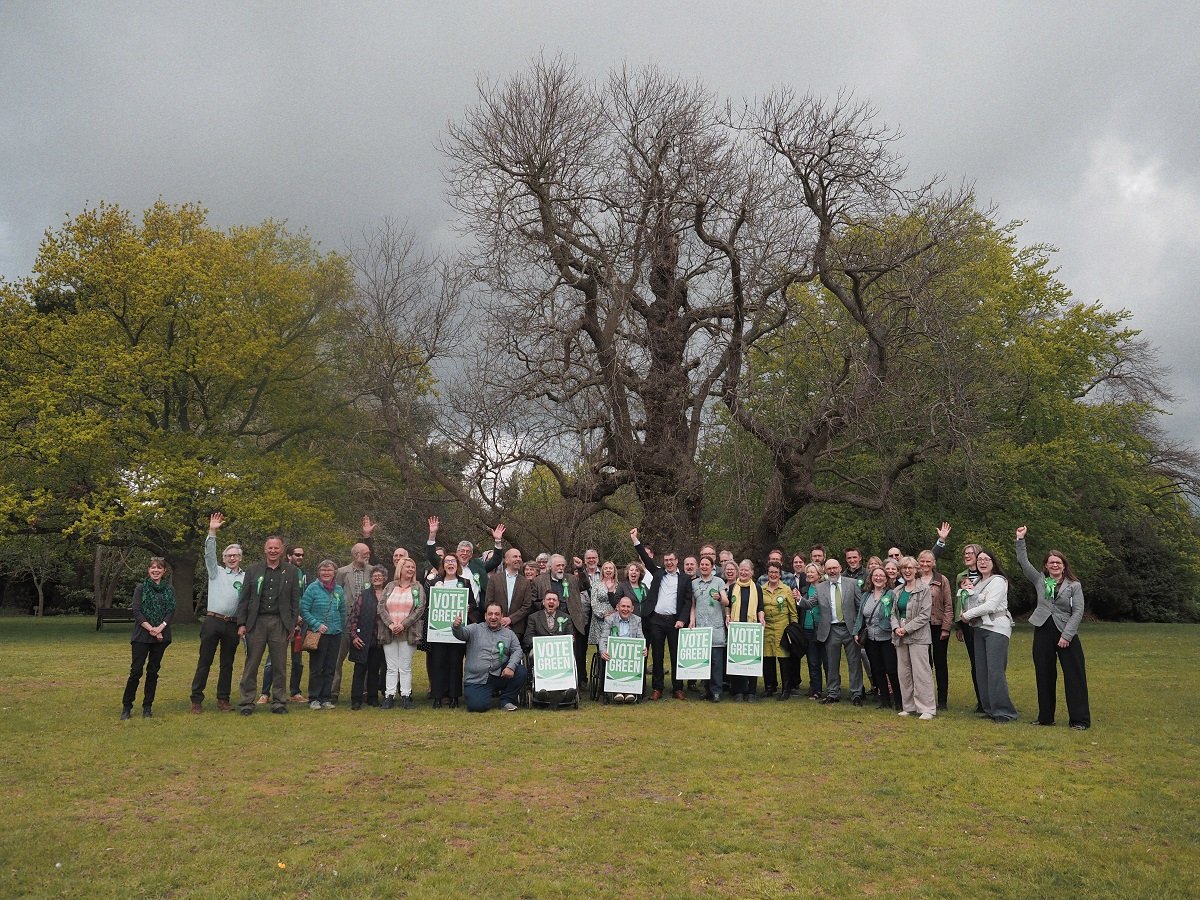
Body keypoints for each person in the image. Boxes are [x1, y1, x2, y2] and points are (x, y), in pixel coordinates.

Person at [1016, 526, 1090, 729]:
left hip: (1066, 631)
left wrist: (1067, 635)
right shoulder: (1041, 580)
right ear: (1046, 567)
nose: (1055, 565)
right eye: (1051, 563)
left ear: (1064, 566)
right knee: (1044, 674)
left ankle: (1079, 720)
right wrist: (1020, 539)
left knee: (1074, 676)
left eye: (1058, 562)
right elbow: (1023, 562)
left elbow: (1078, 612)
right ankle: (1045, 717)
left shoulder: (1074, 586)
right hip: (1043, 629)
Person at [236, 535, 303, 715]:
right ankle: (247, 702)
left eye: (276, 548)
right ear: (265, 550)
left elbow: (295, 601)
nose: (273, 551)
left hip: (280, 623)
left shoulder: (290, 571)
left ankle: (279, 701)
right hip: (256, 623)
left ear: (282, 550)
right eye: (270, 548)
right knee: (252, 664)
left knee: (279, 665)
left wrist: (291, 625)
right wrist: (241, 623)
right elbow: (244, 599)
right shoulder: (253, 570)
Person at [631, 528, 694, 701]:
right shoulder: (657, 573)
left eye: (671, 560)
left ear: (677, 561)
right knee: (657, 655)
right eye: (666, 560)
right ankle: (657, 688)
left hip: (675, 622)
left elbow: (688, 601)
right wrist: (635, 540)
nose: (668, 563)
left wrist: (682, 619)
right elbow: (645, 557)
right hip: (656, 620)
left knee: (676, 656)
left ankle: (677, 688)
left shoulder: (685, 579)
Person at [190, 512, 242, 713]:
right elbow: (209, 554)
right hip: (213, 621)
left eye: (235, 555)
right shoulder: (216, 571)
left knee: (227, 664)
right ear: (223, 558)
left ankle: (223, 699)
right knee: (205, 661)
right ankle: (196, 700)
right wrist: (212, 531)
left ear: (240, 558)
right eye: (228, 555)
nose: (231, 558)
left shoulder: (246, 577)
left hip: (233, 624)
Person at [959, 549, 1017, 723]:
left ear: (993, 562)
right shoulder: (976, 582)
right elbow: (968, 603)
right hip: (979, 628)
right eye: (980, 560)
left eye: (987, 559)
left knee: (994, 670)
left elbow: (991, 605)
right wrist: (966, 603)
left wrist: (967, 615)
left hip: (997, 629)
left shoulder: (998, 581)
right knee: (982, 671)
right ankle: (990, 708)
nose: (983, 562)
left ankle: (1004, 712)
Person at [799, 557, 864, 705]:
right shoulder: (820, 587)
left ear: (840, 568)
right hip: (831, 629)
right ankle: (833, 693)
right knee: (832, 664)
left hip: (850, 629)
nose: (832, 571)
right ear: (825, 571)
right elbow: (810, 604)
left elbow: (860, 607)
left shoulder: (852, 584)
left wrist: (859, 628)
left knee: (854, 663)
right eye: (829, 569)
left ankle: (856, 694)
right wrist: (799, 599)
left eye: (834, 568)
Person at [331, 516, 379, 704]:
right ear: (355, 554)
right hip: (345, 622)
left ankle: (366, 692)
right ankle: (333, 692)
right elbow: (334, 594)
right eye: (364, 552)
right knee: (337, 660)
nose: (367, 555)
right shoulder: (342, 572)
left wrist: (368, 537)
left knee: (365, 658)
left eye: (368, 552)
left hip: (366, 623)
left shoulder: (373, 571)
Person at [121, 557, 176, 719]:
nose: (156, 570)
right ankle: (127, 706)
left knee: (153, 672)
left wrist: (160, 628)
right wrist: (151, 629)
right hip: (141, 636)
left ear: (164, 571)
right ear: (148, 570)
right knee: (136, 672)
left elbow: (171, 610)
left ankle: (147, 707)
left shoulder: (169, 589)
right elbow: (137, 611)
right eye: (153, 567)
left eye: (159, 568)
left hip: (161, 636)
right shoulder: (141, 588)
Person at [452, 604, 526, 712]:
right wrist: (456, 627)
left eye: (497, 614)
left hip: (499, 674)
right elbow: (462, 634)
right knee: (477, 707)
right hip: (477, 678)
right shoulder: (475, 628)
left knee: (521, 671)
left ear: (502, 616)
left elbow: (517, 650)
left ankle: (506, 700)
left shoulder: (509, 634)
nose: (493, 617)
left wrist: (511, 667)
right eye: (490, 614)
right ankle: (483, 695)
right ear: (485, 616)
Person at [426, 553, 475, 708]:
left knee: (455, 663)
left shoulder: (465, 583)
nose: (450, 564)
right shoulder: (435, 582)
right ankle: (437, 697)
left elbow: (473, 603)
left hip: (457, 632)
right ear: (443, 565)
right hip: (438, 631)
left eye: (453, 561)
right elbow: (428, 603)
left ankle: (454, 697)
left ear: (457, 564)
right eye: (447, 561)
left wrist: (469, 607)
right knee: (438, 663)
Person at [533, 554, 590, 688]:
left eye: (563, 565)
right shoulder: (539, 581)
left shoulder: (571, 579)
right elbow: (533, 601)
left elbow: (586, 585)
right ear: (550, 566)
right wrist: (547, 605)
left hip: (573, 620)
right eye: (558, 565)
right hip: (549, 621)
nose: (561, 568)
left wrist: (580, 569)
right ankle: (553, 680)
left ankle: (579, 680)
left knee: (577, 652)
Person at [890, 556, 936, 720]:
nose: (907, 571)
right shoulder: (897, 591)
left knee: (921, 673)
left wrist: (906, 629)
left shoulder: (924, 589)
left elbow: (925, 615)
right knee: (904, 673)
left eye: (910, 568)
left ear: (916, 570)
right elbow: (892, 613)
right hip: (900, 637)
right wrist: (896, 627)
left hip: (918, 636)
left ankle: (927, 708)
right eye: (904, 568)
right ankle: (908, 706)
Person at [377, 557, 425, 710]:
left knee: (405, 666)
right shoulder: (390, 586)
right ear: (400, 569)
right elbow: (381, 606)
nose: (411, 570)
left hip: (408, 632)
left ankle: (406, 696)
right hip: (389, 631)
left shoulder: (417, 587)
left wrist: (403, 625)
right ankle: (389, 696)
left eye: (413, 567)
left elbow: (420, 609)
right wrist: (390, 624)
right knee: (391, 667)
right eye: (408, 567)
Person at [301, 560, 347, 710]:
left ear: (335, 573)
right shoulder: (312, 589)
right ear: (319, 572)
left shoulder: (339, 590)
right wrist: (316, 624)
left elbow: (342, 610)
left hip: (335, 633)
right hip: (319, 634)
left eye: (329, 570)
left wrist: (341, 626)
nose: (326, 573)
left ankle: (326, 697)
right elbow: (304, 610)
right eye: (323, 570)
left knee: (330, 667)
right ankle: (314, 698)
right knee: (317, 667)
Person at [854, 566, 900, 711]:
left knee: (891, 669)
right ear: (871, 578)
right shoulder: (866, 595)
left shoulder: (892, 594)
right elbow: (860, 615)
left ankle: (899, 700)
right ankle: (884, 700)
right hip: (871, 639)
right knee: (877, 670)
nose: (878, 578)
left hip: (887, 638)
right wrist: (856, 631)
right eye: (875, 575)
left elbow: (896, 614)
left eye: (881, 576)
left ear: (886, 579)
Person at [523, 590, 578, 708]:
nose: (551, 601)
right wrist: (544, 643)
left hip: (560, 653)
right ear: (543, 602)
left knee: (569, 657)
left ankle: (567, 691)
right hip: (540, 653)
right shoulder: (534, 618)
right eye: (549, 599)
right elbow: (527, 639)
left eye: (554, 600)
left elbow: (571, 638)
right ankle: (540, 692)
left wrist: (568, 641)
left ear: (558, 603)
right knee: (534, 656)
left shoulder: (566, 618)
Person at [348, 565, 389, 710]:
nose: (377, 578)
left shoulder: (388, 594)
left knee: (374, 669)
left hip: (380, 639)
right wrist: (354, 636)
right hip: (363, 637)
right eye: (374, 576)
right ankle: (356, 699)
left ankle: (372, 697)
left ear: (385, 578)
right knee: (359, 670)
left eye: (380, 576)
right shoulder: (364, 595)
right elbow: (354, 616)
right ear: (371, 579)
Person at [918, 549, 954, 710]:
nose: (925, 564)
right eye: (922, 561)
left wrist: (946, 627)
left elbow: (948, 605)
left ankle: (942, 700)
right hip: (919, 627)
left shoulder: (941, 579)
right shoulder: (914, 579)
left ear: (934, 563)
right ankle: (926, 698)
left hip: (937, 625)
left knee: (940, 663)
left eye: (928, 561)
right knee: (924, 664)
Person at [690, 555, 728, 702]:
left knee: (716, 661)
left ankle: (717, 691)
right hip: (701, 626)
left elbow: (726, 601)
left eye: (707, 564)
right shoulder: (694, 583)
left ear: (712, 567)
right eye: (702, 564)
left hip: (716, 626)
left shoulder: (719, 581)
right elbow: (693, 605)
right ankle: (707, 690)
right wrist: (692, 620)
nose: (704, 566)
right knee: (704, 661)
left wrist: (720, 598)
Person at [727, 559, 764, 701]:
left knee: (751, 660)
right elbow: (728, 605)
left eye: (746, 570)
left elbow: (760, 607)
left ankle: (751, 692)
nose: (743, 572)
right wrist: (728, 615)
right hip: (736, 629)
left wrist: (761, 619)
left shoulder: (757, 588)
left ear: (752, 572)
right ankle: (738, 691)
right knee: (737, 660)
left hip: (751, 629)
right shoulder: (732, 588)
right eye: (741, 569)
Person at [761, 561, 798, 699]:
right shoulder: (762, 589)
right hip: (767, 628)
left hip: (782, 628)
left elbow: (793, 612)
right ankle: (770, 687)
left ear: (780, 574)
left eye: (776, 572)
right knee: (768, 658)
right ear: (767, 573)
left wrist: (794, 630)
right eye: (771, 572)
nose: (773, 575)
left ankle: (786, 689)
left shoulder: (786, 589)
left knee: (784, 659)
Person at [600, 595, 648, 703]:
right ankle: (618, 692)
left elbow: (641, 637)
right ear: (617, 607)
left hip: (630, 653)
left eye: (628, 607)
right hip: (614, 653)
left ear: (632, 609)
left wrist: (643, 647)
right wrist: (603, 651)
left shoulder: (637, 620)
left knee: (634, 659)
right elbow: (603, 638)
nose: (625, 609)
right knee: (614, 658)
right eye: (623, 606)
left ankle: (630, 691)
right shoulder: (609, 619)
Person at [484, 547, 533, 639]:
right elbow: (489, 601)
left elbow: (527, 606)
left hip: (516, 628)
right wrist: (499, 619)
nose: (518, 559)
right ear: (506, 560)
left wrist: (510, 619)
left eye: (520, 557)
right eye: (515, 556)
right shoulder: (494, 579)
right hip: (495, 626)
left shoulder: (525, 582)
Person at [798, 563, 826, 699]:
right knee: (813, 662)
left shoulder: (825, 588)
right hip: (808, 628)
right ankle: (816, 690)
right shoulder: (804, 589)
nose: (809, 574)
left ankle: (833, 689)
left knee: (828, 661)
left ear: (819, 574)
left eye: (812, 572)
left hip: (823, 628)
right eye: (807, 572)